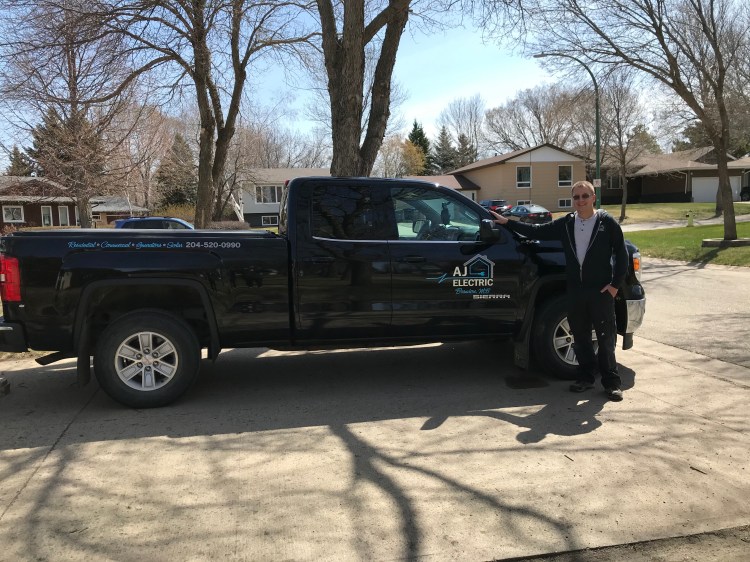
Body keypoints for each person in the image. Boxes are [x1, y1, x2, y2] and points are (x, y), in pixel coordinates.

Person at [491, 181, 628, 401]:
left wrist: (614, 286)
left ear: (593, 198)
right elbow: (536, 231)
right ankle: (585, 378)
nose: (580, 201)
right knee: (581, 338)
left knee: (605, 339)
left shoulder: (606, 222)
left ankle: (612, 383)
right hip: (575, 290)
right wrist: (508, 223)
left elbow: (621, 254)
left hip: (600, 291)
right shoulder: (567, 223)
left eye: (585, 196)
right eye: (576, 197)